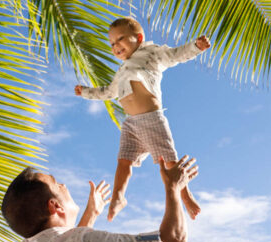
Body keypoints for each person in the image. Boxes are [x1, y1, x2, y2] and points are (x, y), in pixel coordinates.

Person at [74, 17, 211, 221]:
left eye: (120, 39)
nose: (115, 46)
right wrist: (86, 92)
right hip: (130, 123)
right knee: (124, 161)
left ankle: (186, 195)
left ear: (138, 38)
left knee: (168, 162)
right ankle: (119, 197)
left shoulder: (152, 53)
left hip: (151, 118)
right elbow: (108, 92)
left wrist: (195, 47)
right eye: (112, 43)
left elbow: (175, 55)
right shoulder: (121, 71)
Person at [1, 155, 198, 242]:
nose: (65, 186)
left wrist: (91, 214)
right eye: (58, 184)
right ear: (55, 206)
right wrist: (173, 187)